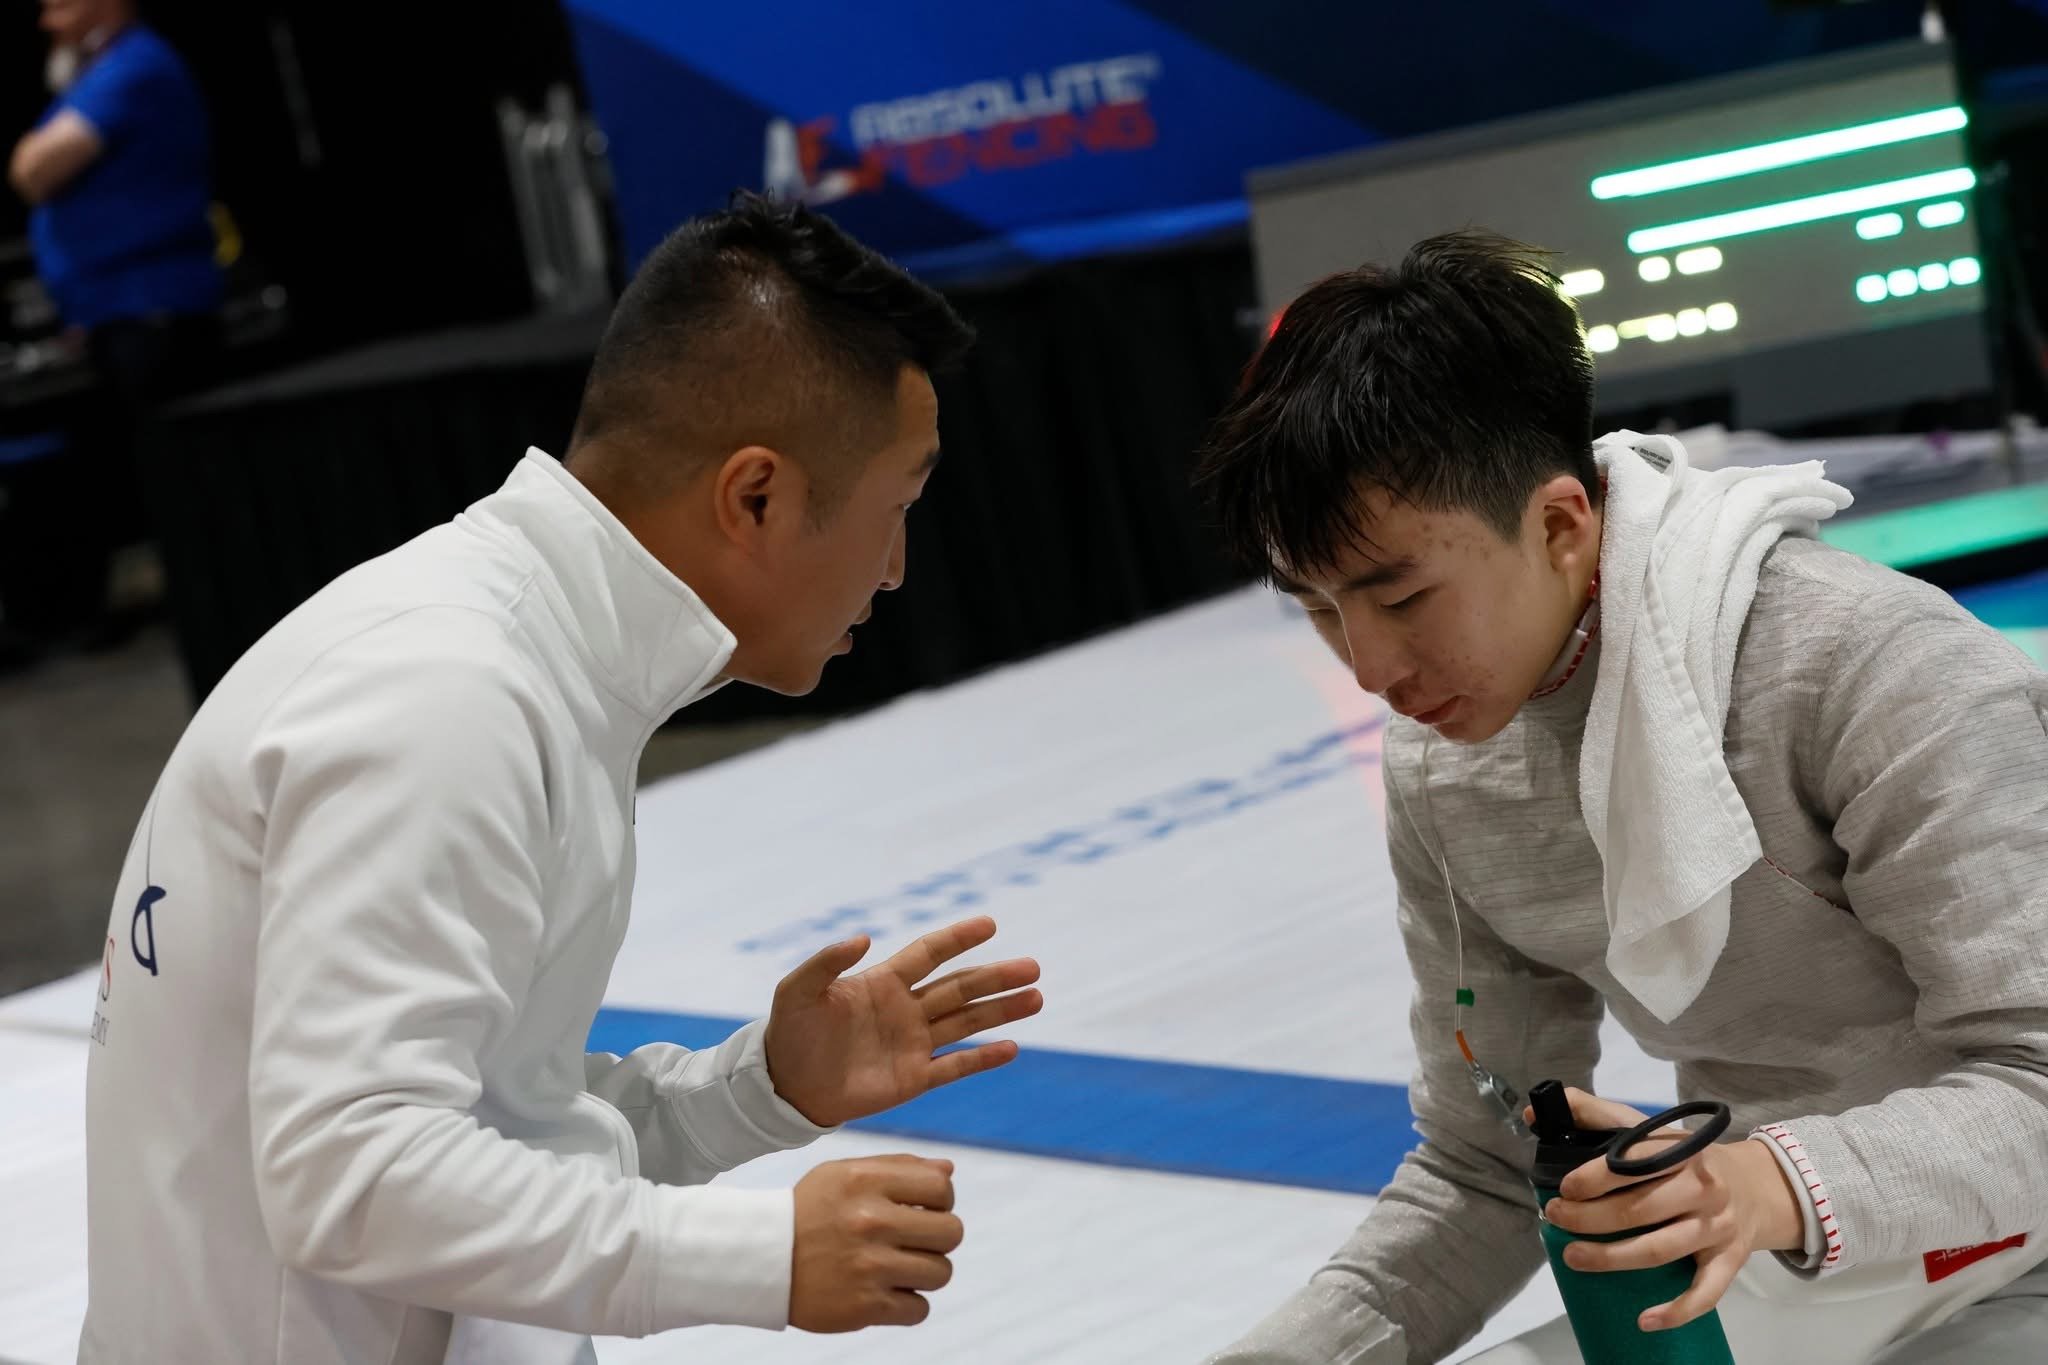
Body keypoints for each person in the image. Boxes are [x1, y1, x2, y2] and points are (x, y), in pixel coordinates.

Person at [80, 193, 1044, 1364]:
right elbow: (352, 1171)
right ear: (754, 495)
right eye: (896, 508)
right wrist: (756, 1258)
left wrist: (758, 1086)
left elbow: (501, 1122)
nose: (893, 570)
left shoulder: (501, 657)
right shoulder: (450, 700)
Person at [1194, 231, 2048, 1363]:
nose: (1368, 670)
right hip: (1771, 1242)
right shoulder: (1443, 769)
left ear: (1559, 525)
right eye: (1314, 607)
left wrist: (1760, 1180)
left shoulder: (1871, 669)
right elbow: (1483, 1162)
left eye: (1399, 595)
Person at [7, 0, 222, 650]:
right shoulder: (100, 74)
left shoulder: (133, 68)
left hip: (153, 309)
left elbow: (34, 170)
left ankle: (212, 618)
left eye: (60, 5)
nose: (47, 22)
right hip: (116, 311)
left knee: (174, 479)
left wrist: (28, 151)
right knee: (126, 472)